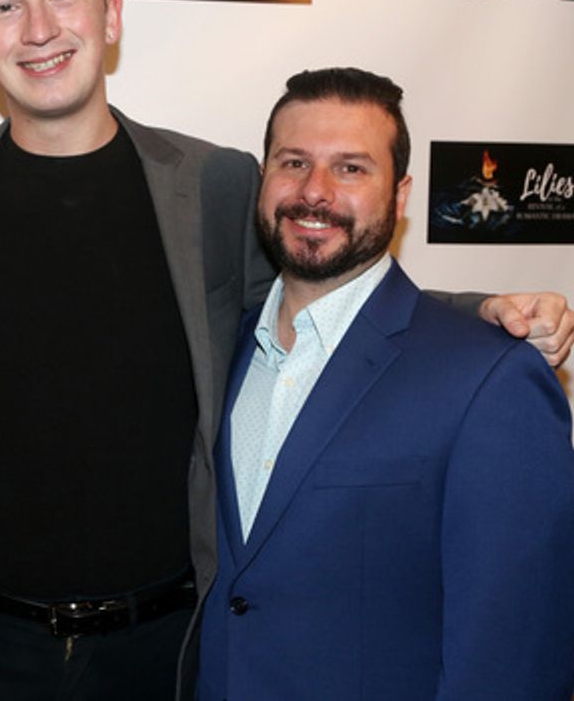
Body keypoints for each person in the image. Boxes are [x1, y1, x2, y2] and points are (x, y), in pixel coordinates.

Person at [0, 0, 574, 700]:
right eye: (5, 5)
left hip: (165, 655)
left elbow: (320, 294)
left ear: (110, 12)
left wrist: (483, 316)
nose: (38, 30)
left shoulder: (211, 184)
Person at [198, 67, 574, 699]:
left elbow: (518, 655)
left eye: (351, 168)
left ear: (399, 197)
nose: (314, 192)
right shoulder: (219, 350)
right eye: (293, 162)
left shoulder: (490, 378)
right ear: (264, 178)